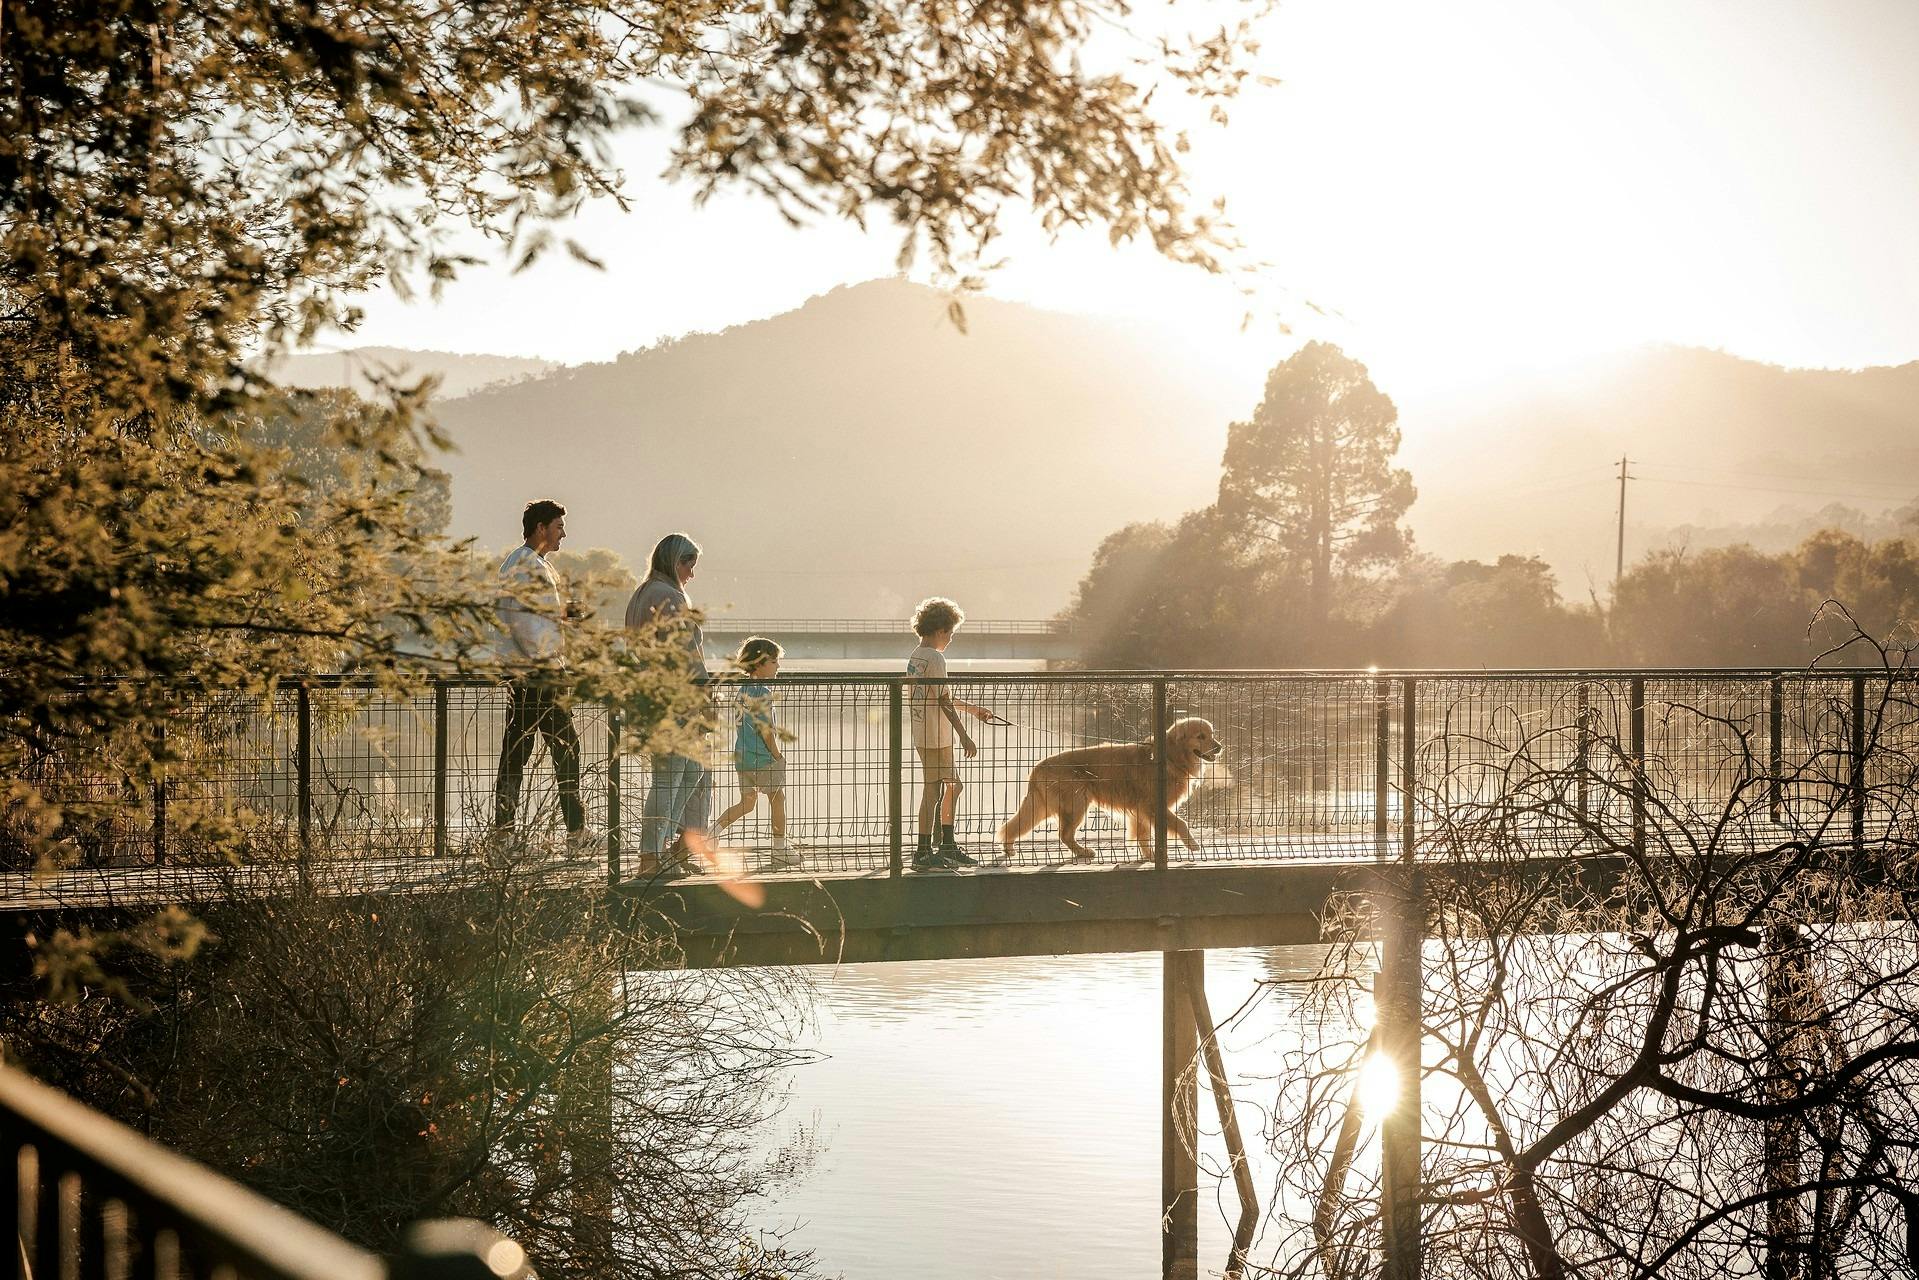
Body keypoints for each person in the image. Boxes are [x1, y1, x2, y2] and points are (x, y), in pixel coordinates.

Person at [492, 498, 587, 849]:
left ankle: (506, 833)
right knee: (564, 749)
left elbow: (531, 617)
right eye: (559, 527)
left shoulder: (526, 563)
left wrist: (563, 617)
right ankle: (574, 832)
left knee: (519, 751)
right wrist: (549, 658)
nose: (564, 534)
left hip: (528, 671)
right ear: (541, 528)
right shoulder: (527, 565)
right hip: (538, 673)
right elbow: (526, 624)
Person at [623, 533, 710, 875]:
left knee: (689, 771)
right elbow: (685, 653)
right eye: (690, 565)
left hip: (651, 698)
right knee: (669, 778)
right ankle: (650, 857)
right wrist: (703, 695)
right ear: (676, 562)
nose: (692, 574)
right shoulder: (670, 596)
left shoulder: (643, 593)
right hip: (674, 701)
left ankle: (664, 850)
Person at [905, 597, 994, 871]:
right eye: (951, 632)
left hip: (923, 733)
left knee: (947, 787)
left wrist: (973, 709)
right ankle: (927, 850)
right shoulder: (936, 658)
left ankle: (943, 845)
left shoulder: (916, 657)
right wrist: (964, 736)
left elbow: (939, 696)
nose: (951, 638)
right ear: (941, 629)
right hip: (937, 736)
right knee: (938, 790)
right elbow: (944, 701)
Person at [711, 637, 799, 871]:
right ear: (759, 664)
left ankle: (712, 834)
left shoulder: (742, 691)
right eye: (773, 662)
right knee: (777, 799)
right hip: (763, 757)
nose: (778, 666)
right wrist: (778, 756)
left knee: (747, 804)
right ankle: (779, 850)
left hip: (743, 757)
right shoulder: (763, 692)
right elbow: (766, 730)